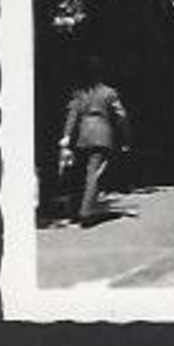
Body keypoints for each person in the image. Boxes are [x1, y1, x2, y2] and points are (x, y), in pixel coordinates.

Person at [58, 55, 131, 225]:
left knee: (78, 174)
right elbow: (122, 115)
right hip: (102, 136)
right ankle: (86, 213)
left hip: (82, 136)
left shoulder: (79, 94)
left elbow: (72, 114)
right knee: (94, 174)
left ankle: (74, 212)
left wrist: (67, 136)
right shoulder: (109, 93)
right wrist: (126, 137)